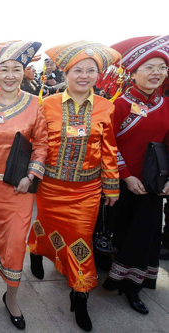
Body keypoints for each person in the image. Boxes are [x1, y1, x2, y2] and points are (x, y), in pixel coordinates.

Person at [26, 41, 121, 332]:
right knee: (44, 224)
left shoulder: (106, 107)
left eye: (90, 70)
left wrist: (112, 186)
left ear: (97, 74)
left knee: (80, 239)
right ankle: (37, 251)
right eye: (77, 70)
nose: (84, 75)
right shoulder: (48, 104)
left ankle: (80, 295)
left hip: (87, 191)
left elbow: (109, 149)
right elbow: (37, 142)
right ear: (66, 73)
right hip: (50, 187)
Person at [0, 41, 48, 329]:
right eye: (4, 69)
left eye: (16, 69)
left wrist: (31, 176)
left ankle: (12, 298)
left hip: (18, 189)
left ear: (24, 72)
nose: (10, 75)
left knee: (16, 244)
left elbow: (42, 144)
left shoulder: (34, 103)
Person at [99, 35, 169, 315]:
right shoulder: (118, 105)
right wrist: (126, 176)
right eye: (148, 67)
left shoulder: (166, 105)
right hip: (122, 184)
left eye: (161, 68)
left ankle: (132, 287)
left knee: (143, 237)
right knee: (120, 234)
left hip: (153, 186)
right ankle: (114, 277)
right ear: (133, 72)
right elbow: (108, 144)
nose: (156, 73)